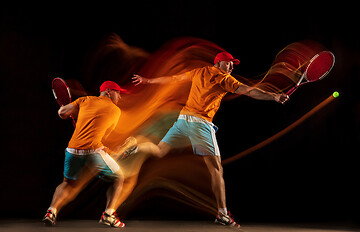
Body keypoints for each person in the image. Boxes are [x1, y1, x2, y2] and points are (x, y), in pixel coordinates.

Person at [131, 51, 289, 228]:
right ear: (218, 63)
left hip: (182, 120)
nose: (231, 67)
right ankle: (222, 214)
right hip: (200, 124)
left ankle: (137, 145)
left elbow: (174, 79)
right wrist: (274, 96)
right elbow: (249, 91)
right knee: (216, 170)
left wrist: (148, 81)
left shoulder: (199, 71)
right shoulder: (224, 78)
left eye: (232, 64)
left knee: (159, 150)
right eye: (228, 63)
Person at [43, 81, 130, 228]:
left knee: (67, 183)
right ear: (108, 91)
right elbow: (103, 136)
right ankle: (109, 214)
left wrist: (68, 113)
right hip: (92, 151)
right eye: (118, 92)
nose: (120, 96)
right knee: (119, 178)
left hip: (72, 150)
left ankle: (51, 212)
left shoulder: (85, 100)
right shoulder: (115, 111)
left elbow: (62, 113)